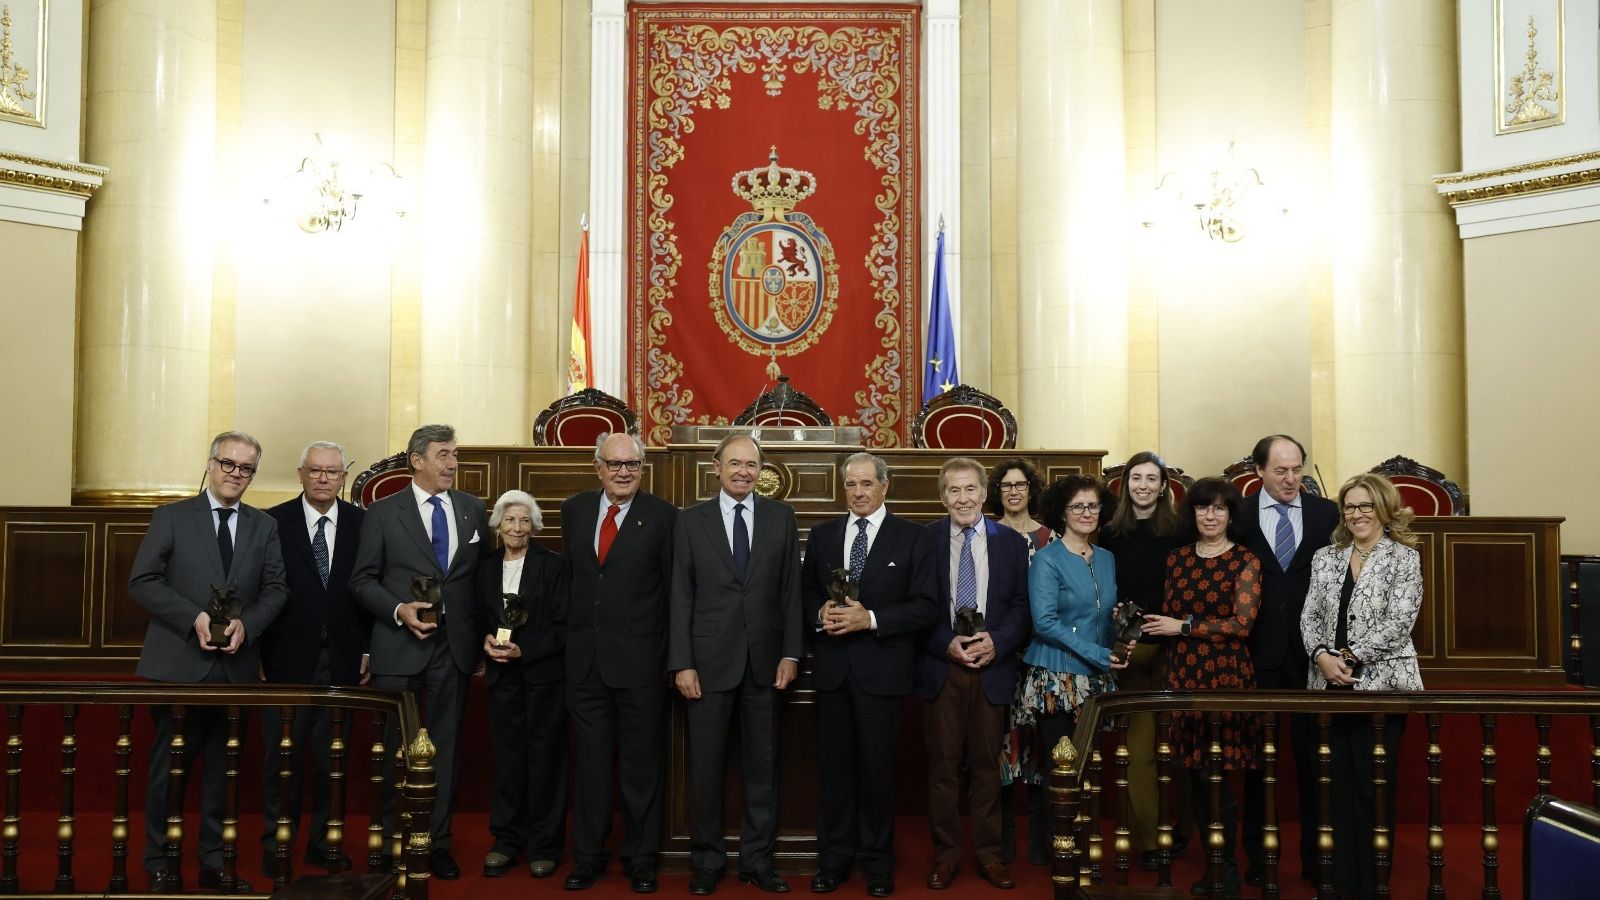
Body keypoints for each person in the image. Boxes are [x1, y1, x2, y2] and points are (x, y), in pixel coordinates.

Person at [130, 431, 288, 893]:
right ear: (211, 463)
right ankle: (160, 862)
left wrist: (248, 625)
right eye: (228, 464)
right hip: (178, 665)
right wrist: (193, 616)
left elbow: (277, 589)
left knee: (225, 773)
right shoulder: (172, 516)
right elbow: (142, 580)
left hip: (236, 669)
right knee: (169, 771)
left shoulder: (264, 526)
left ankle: (216, 862)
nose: (235, 474)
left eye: (245, 468)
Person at [350, 423, 488, 880]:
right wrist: (397, 610)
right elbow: (362, 580)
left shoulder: (472, 509)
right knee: (397, 750)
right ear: (417, 460)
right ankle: (395, 840)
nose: (452, 463)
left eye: (455, 455)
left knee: (444, 751)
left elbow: (481, 583)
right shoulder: (383, 512)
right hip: (398, 647)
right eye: (444, 454)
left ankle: (435, 843)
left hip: (455, 649)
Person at [802, 452, 940, 898]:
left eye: (867, 484)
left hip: (882, 672)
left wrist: (873, 619)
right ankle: (834, 861)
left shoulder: (913, 538)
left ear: (885, 486)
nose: (859, 492)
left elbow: (926, 606)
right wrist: (817, 611)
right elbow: (802, 594)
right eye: (851, 484)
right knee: (835, 773)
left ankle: (879, 864)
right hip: (833, 672)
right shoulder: (823, 536)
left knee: (879, 774)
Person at [668, 434, 801, 895]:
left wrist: (790, 653)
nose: (743, 471)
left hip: (766, 665)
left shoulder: (781, 517)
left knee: (763, 769)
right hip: (706, 666)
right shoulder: (690, 521)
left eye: (752, 464)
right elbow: (680, 596)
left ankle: (757, 861)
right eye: (735, 463)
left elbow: (790, 592)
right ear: (716, 466)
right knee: (705, 769)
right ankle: (707, 862)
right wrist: (682, 662)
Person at [561, 432, 677, 893]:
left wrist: (672, 660)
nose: (624, 472)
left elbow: (672, 593)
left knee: (640, 768)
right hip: (585, 664)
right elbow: (572, 582)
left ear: (642, 469)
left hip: (641, 664)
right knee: (589, 768)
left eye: (632, 464)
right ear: (598, 467)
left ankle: (641, 858)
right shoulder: (574, 510)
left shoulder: (664, 516)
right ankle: (588, 856)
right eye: (615, 464)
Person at [1300, 473, 1423, 900]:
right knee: (1333, 786)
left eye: (1366, 506)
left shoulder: (1404, 558)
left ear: (1384, 510)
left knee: (1373, 785)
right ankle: (1336, 883)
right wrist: (1321, 656)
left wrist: (1347, 658)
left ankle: (1373, 886)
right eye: (1350, 507)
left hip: (1382, 686)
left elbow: (1399, 623)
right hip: (1328, 685)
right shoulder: (1325, 557)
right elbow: (1310, 615)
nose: (1357, 514)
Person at [1141, 477, 1262, 897]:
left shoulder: (1245, 560)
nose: (1210, 515)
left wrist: (1184, 626)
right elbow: (1168, 617)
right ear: (1191, 513)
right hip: (1182, 671)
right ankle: (1211, 860)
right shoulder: (1176, 559)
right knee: (1192, 771)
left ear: (1231, 515)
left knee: (1217, 775)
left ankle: (1224, 869)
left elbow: (1241, 625)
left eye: (1219, 508)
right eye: (1202, 508)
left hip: (1225, 674)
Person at [914, 458, 1030, 891]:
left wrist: (997, 642)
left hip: (991, 667)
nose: (962, 499)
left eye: (970, 490)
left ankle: (988, 854)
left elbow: (1021, 607)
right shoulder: (923, 540)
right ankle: (945, 854)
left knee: (986, 766)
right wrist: (945, 641)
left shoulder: (1011, 544)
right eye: (953, 491)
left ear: (984, 494)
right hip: (943, 667)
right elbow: (916, 604)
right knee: (942, 767)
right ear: (943, 497)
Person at [259, 441, 369, 879]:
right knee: (282, 761)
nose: (324, 478)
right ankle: (277, 845)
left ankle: (324, 843)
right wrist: (259, 651)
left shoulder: (364, 523)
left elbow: (370, 588)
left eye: (332, 472)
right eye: (315, 471)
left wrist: (368, 648)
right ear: (300, 474)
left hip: (343, 659)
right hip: (285, 659)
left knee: (332, 762)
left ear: (344, 477)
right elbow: (259, 588)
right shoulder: (272, 521)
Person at [1236, 434, 1339, 887]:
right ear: (1257, 470)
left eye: (1297, 469)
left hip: (1313, 659)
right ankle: (1259, 860)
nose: (1292, 479)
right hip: (1255, 655)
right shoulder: (1236, 515)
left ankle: (1319, 863)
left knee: (1315, 763)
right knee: (1258, 765)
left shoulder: (1327, 514)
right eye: (1280, 471)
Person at [1013, 474, 1128, 848]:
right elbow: (1044, 622)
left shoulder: (1108, 558)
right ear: (1061, 513)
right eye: (1077, 506)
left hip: (1095, 677)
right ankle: (1055, 846)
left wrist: (1121, 639)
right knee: (1061, 764)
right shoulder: (1047, 559)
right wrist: (1100, 654)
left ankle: (1075, 839)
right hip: (1055, 677)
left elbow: (1102, 615)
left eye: (1092, 505)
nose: (1086, 512)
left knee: (1086, 765)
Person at [1098, 452, 1189, 871]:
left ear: (1164, 486)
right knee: (1139, 750)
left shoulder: (1181, 531)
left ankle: (1186, 827)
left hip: (1179, 648)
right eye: (1136, 477)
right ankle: (1152, 841)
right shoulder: (1109, 533)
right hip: (1130, 648)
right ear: (1125, 483)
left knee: (1181, 745)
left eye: (1152, 479)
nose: (1144, 486)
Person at [476, 490, 567, 880]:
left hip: (543, 676)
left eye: (525, 520)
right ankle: (507, 840)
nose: (517, 527)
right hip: (502, 677)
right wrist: (484, 641)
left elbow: (565, 626)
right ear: (498, 524)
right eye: (510, 520)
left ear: (534, 526)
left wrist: (523, 650)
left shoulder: (553, 565)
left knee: (545, 761)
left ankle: (545, 845)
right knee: (509, 761)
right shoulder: (486, 566)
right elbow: (477, 614)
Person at [986, 458, 1053, 866]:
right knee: (1002, 744)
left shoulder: (1052, 538)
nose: (1013, 491)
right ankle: (1005, 832)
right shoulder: (985, 534)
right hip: (1001, 654)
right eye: (1006, 485)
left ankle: (1042, 835)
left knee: (1042, 744)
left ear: (1031, 490)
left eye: (1020, 485)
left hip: (1043, 656)